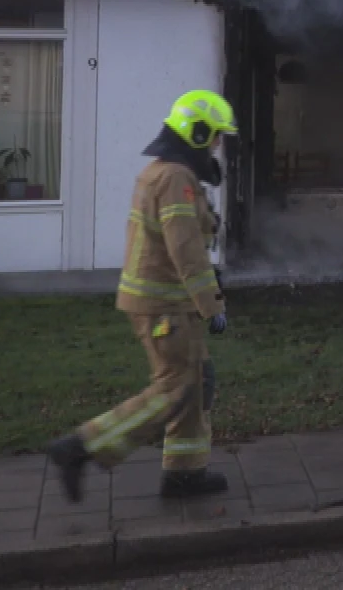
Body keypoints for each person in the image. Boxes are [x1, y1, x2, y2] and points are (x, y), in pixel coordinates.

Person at [45, 90, 238, 502]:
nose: (219, 144)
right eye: (216, 135)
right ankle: (81, 448)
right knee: (175, 389)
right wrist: (212, 304)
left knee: (198, 383)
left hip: (168, 300)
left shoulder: (163, 173)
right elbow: (184, 247)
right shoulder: (175, 179)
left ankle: (185, 475)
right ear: (199, 133)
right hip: (165, 305)